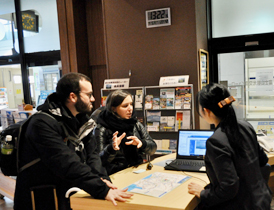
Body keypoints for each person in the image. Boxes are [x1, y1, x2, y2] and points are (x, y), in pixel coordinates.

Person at [14, 73, 133, 210]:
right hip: (41, 197)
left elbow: (92, 156)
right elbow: (67, 162)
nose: (93, 99)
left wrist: (103, 179)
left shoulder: (82, 121)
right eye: (89, 95)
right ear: (73, 97)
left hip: (66, 194)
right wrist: (102, 190)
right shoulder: (41, 123)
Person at [188, 83, 272, 210]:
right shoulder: (246, 126)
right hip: (260, 200)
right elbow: (263, 161)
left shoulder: (215, 141)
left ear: (206, 111)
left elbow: (229, 188)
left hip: (240, 205)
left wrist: (202, 193)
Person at [94, 89, 157, 175]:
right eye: (125, 106)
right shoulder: (101, 128)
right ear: (114, 108)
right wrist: (111, 148)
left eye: (131, 104)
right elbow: (98, 161)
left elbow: (153, 149)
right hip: (115, 174)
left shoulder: (135, 123)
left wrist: (142, 143)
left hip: (135, 170)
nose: (130, 109)